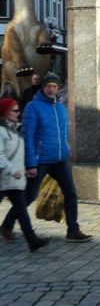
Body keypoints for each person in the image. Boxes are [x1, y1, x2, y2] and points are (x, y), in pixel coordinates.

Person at [0, 72, 92, 242]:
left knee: (71, 193)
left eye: (55, 86)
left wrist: (66, 149)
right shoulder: (33, 107)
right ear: (43, 87)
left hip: (59, 159)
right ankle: (7, 225)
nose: (52, 89)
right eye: (48, 86)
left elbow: (63, 133)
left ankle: (73, 230)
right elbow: (28, 135)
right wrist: (31, 163)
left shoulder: (60, 108)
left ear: (58, 88)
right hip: (40, 160)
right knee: (29, 196)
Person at [0, 98, 50, 251]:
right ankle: (31, 239)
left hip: (14, 180)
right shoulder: (1, 132)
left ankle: (32, 240)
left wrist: (26, 168)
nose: (18, 113)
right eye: (14, 110)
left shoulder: (14, 130)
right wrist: (12, 170)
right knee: (21, 210)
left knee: (22, 211)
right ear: (5, 113)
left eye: (18, 110)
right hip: (4, 178)